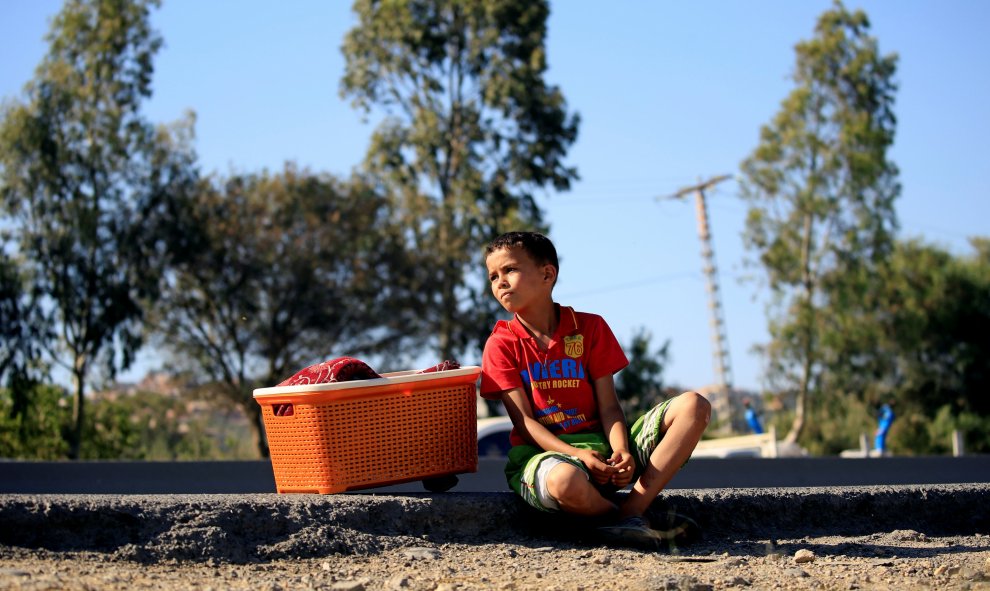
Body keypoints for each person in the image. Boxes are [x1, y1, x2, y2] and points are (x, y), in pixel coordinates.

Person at [480, 231, 711, 547]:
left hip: (605, 453)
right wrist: (577, 454)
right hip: (547, 457)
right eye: (493, 276)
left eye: (510, 270)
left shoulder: (590, 327)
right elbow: (525, 423)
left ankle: (632, 510)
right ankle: (629, 519)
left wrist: (622, 450)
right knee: (565, 481)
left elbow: (609, 407)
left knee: (694, 405)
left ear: (547, 274)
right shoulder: (500, 344)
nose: (500, 282)